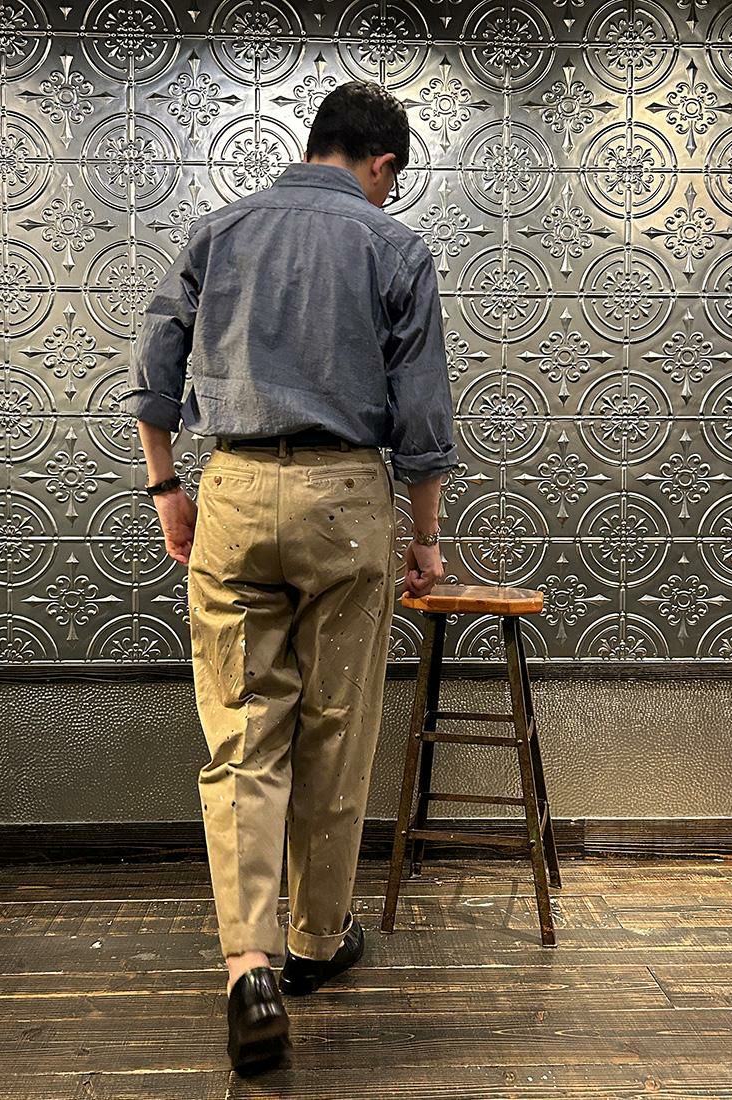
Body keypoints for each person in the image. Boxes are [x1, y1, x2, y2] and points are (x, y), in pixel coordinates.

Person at [122, 79, 459, 1074]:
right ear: (381, 163)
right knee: (336, 728)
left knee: (242, 733)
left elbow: (152, 367)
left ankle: (248, 966)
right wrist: (425, 540)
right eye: (391, 179)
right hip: (346, 499)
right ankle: (315, 939)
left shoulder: (219, 229)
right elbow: (422, 415)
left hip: (230, 487)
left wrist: (167, 490)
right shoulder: (394, 247)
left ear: (315, 142)